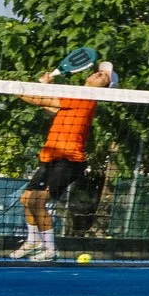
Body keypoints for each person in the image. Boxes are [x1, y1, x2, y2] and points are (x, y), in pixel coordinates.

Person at [15, 61, 112, 260]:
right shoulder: (75, 96)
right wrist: (45, 85)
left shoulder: (85, 97)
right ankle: (33, 241)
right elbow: (50, 109)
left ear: (106, 87)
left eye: (104, 76)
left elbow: (37, 100)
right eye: (98, 71)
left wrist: (17, 88)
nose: (97, 74)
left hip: (69, 160)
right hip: (51, 156)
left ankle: (50, 250)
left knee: (38, 201)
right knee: (26, 200)